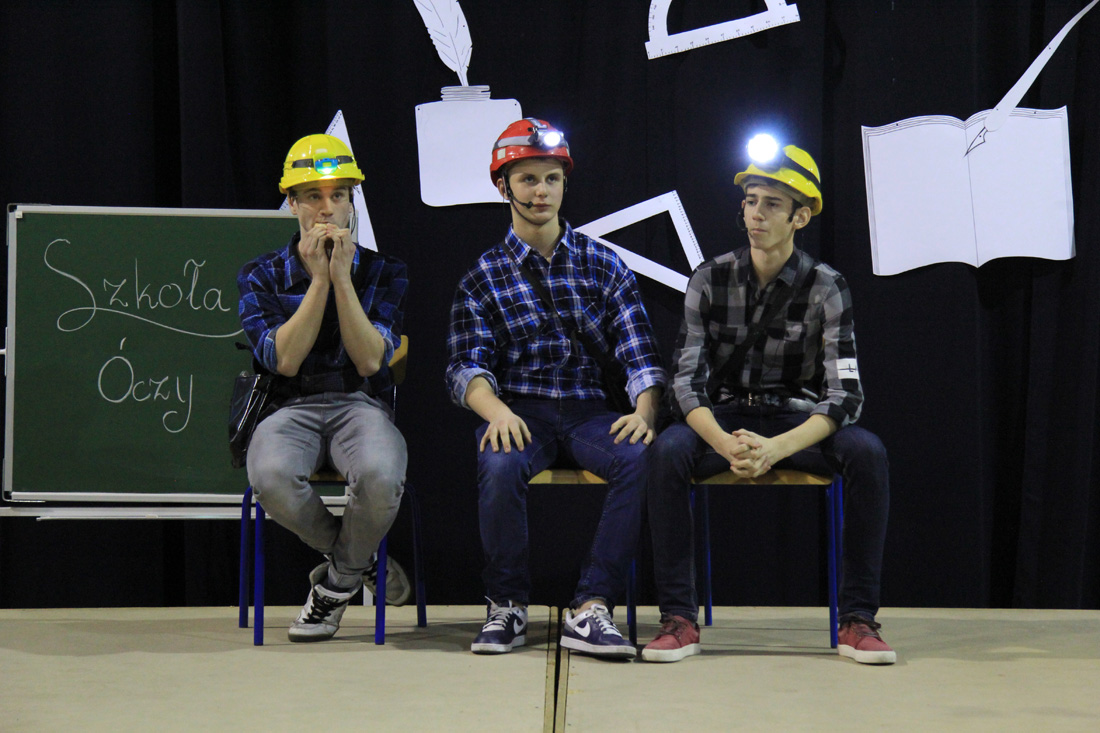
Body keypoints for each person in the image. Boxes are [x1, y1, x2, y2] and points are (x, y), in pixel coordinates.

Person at [642, 137, 894, 665]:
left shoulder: (827, 286)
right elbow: (685, 383)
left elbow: (846, 395)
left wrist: (776, 448)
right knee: (667, 451)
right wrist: (725, 444)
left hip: (794, 421)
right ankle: (679, 618)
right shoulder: (709, 277)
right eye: (751, 200)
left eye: (772, 204)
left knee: (867, 452)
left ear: (800, 216)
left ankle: (858, 620)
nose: (756, 213)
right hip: (724, 418)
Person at [446, 118, 667, 659]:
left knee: (641, 454)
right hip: (523, 409)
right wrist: (496, 411)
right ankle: (506, 604)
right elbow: (465, 367)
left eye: (551, 179)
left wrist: (645, 412)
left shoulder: (602, 263)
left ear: (565, 184)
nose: (541, 191)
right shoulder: (483, 276)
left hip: (592, 410)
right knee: (499, 461)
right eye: (528, 179)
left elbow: (640, 353)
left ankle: (592, 606)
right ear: (503, 186)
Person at [238, 133, 411, 642]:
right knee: (270, 476)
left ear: (351, 202)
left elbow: (371, 359)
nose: (327, 208)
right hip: (287, 404)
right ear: (292, 203)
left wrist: (341, 278)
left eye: (339, 195)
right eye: (313, 196)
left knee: (381, 475)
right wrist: (318, 281)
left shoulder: (385, 271)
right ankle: (358, 561)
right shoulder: (260, 275)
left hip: (359, 402)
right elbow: (284, 360)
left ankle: (334, 587)